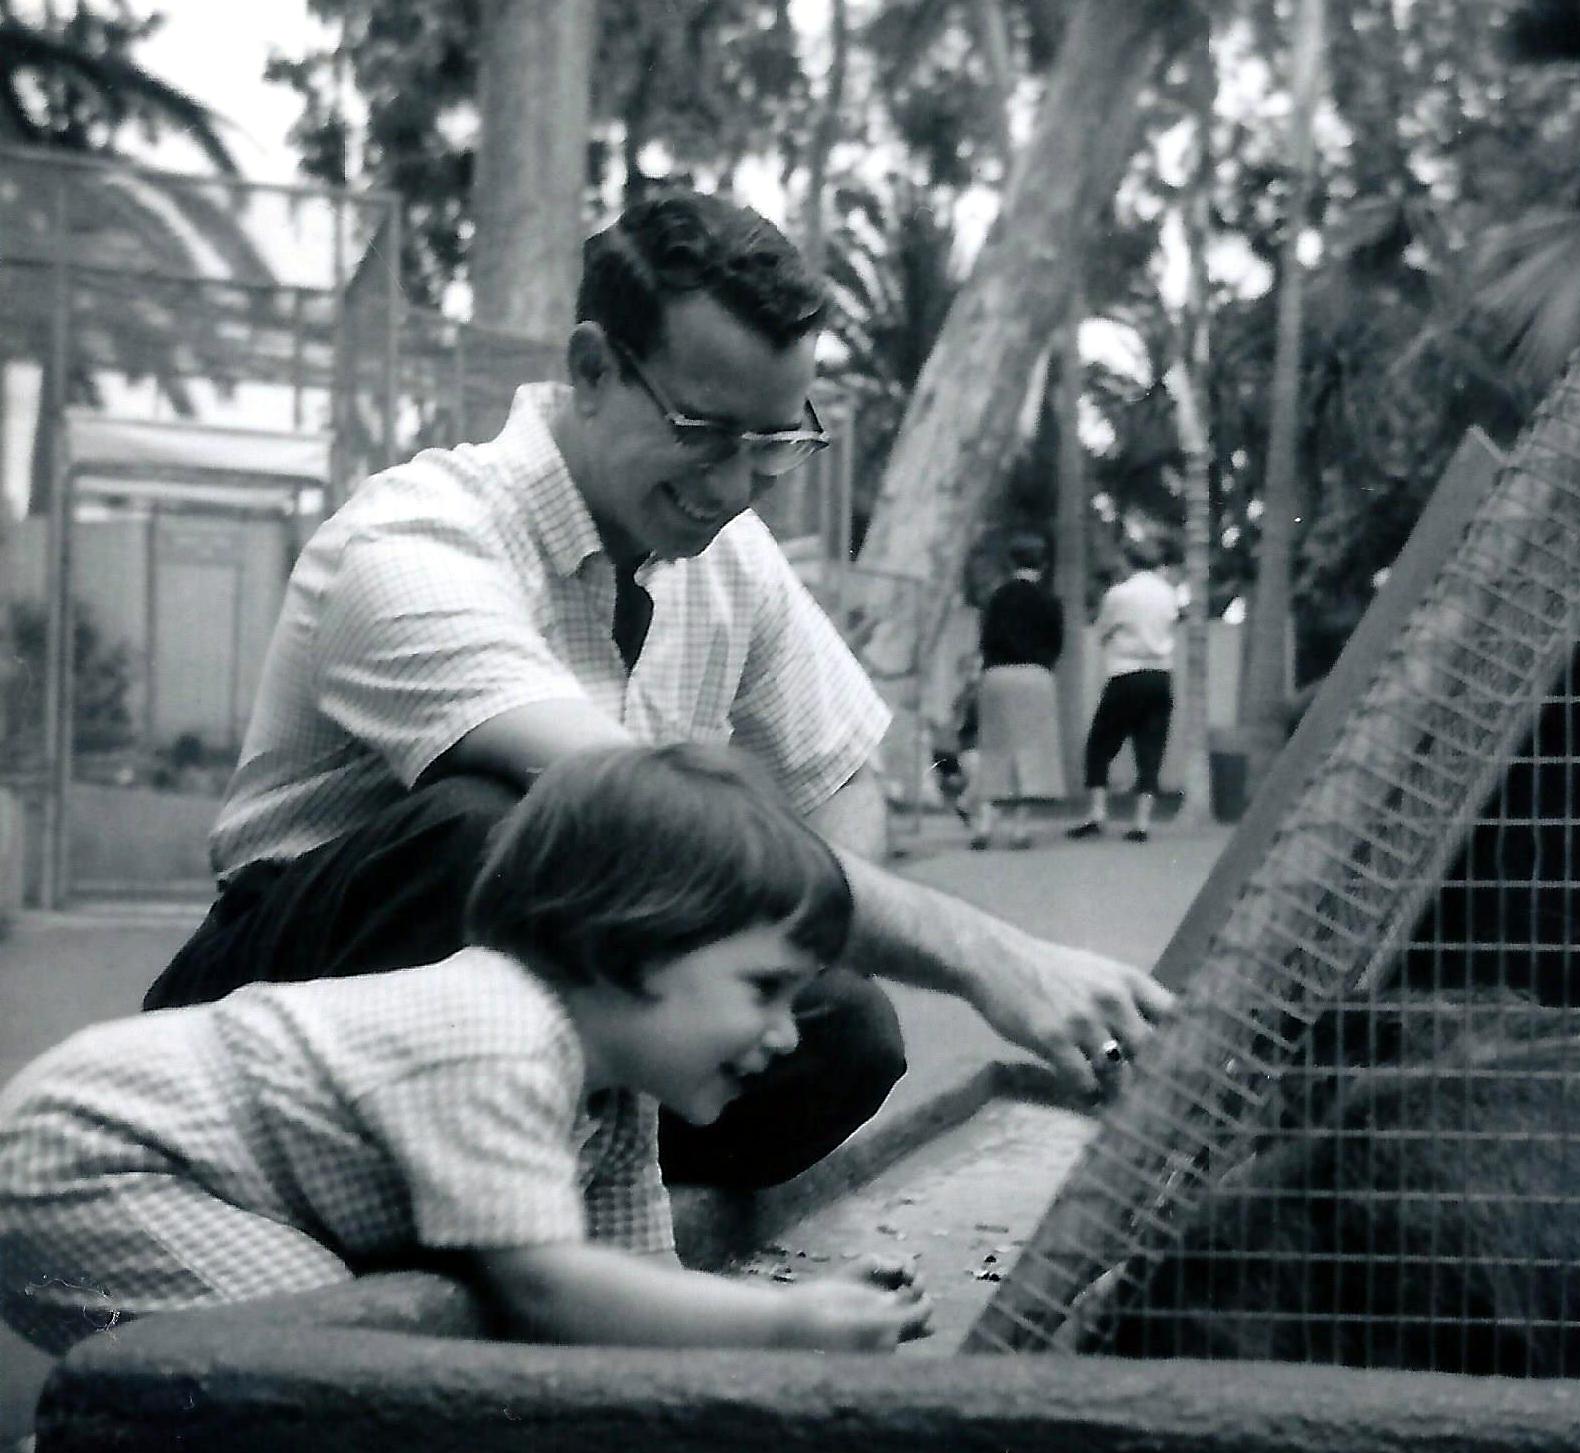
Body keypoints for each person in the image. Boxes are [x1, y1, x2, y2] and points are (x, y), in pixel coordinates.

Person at [144, 190, 1171, 1193]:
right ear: (593, 369)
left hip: (545, 1022)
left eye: (775, 442)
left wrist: (795, 955)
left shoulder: (731, 558)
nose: (732, 486)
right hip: (281, 1004)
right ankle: (419, 1231)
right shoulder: (413, 542)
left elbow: (840, 766)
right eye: (702, 430)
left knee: (838, 1023)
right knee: (517, 833)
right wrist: (992, 958)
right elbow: (632, 814)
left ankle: (568, 1214)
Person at [0, 744, 932, 1359]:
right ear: (623, 950)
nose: (786, 1030)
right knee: (320, 1339)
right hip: (93, 1156)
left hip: (177, 1170)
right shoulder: (500, 1039)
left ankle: (126, 1449)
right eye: (762, 989)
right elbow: (551, 1294)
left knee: (340, 1332)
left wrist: (809, 1308)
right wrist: (780, 1326)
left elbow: (636, 1288)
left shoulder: (609, 1093)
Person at [1067, 549, 1186, 842]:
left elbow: (1102, 629)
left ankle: (1097, 814)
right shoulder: (1168, 594)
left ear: (1126, 562)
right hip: (1160, 676)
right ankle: (1141, 823)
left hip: (1125, 674)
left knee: (1100, 744)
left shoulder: (1119, 594)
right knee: (1150, 749)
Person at [967, 533, 1065, 851]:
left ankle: (984, 823)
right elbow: (1056, 645)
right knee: (1032, 751)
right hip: (1036, 677)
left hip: (997, 676)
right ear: (1044, 563)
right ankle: (1020, 829)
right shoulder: (1050, 601)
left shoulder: (996, 598)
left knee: (994, 749)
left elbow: (984, 640)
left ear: (1011, 562)